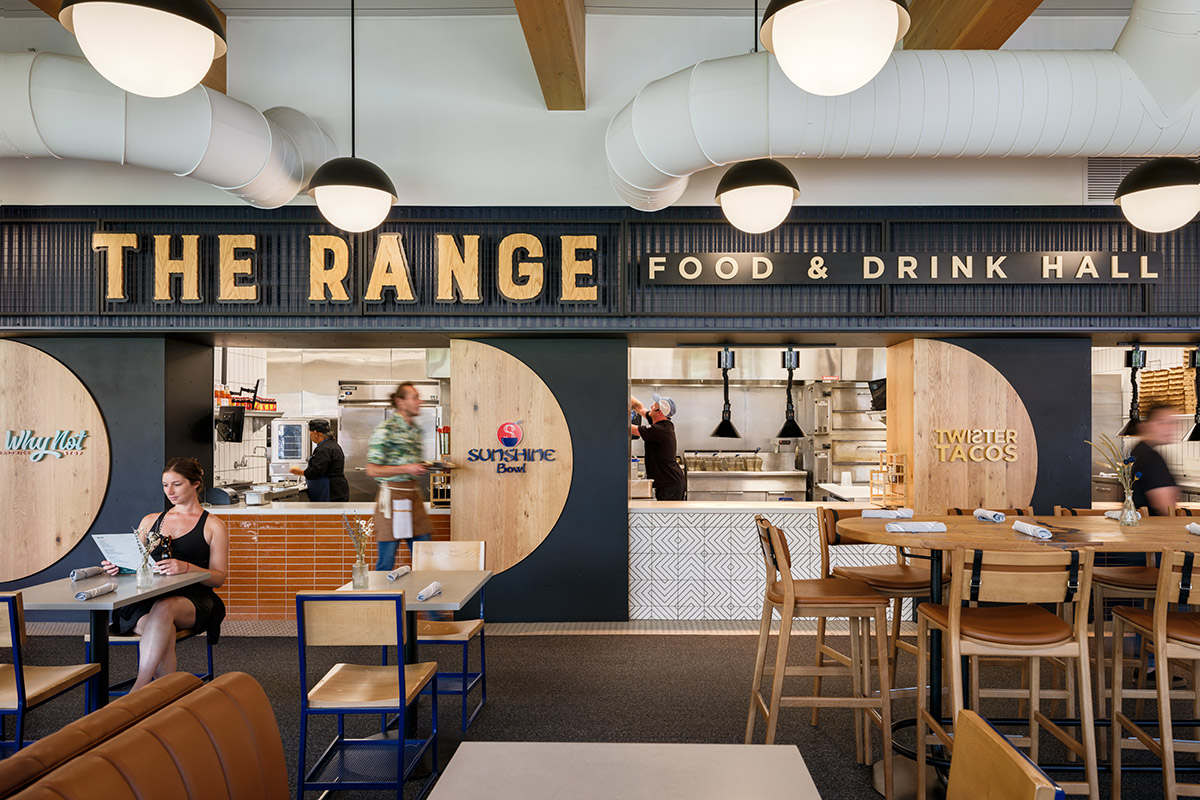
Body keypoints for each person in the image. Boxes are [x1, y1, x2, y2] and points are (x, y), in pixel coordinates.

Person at [101, 457, 228, 692]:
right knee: (162, 628)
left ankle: (139, 690)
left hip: (192, 599)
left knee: (165, 608)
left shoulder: (214, 526)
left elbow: (219, 578)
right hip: (146, 600)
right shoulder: (150, 521)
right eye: (165, 485)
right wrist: (118, 568)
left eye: (177, 484)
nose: (169, 491)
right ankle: (164, 698)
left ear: (195, 483)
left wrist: (188, 568)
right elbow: (135, 567)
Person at [366, 382, 432, 570]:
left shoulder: (416, 431)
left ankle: (423, 598)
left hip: (414, 497)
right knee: (386, 564)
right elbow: (372, 469)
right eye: (414, 397)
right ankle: (381, 601)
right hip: (392, 498)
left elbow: (410, 466)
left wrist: (420, 467)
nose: (420, 401)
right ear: (400, 402)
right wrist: (406, 468)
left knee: (426, 561)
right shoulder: (385, 429)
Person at [630, 392, 685, 501]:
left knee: (668, 517)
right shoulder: (659, 422)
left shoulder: (660, 430)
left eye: (654, 406)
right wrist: (624, 393)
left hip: (671, 484)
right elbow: (638, 407)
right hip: (667, 483)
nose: (650, 407)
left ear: (659, 412)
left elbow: (631, 429)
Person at [1130, 403, 1181, 516]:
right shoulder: (1151, 458)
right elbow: (1166, 508)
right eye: (1161, 423)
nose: (1169, 428)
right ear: (1146, 426)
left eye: (1172, 423)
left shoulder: (1138, 451)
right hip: (1154, 530)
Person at [290, 418, 349, 502]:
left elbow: (317, 471)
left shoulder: (323, 449)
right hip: (337, 490)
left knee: (327, 514)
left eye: (310, 434)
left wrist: (301, 472)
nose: (310, 436)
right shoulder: (333, 445)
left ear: (315, 433)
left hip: (329, 492)